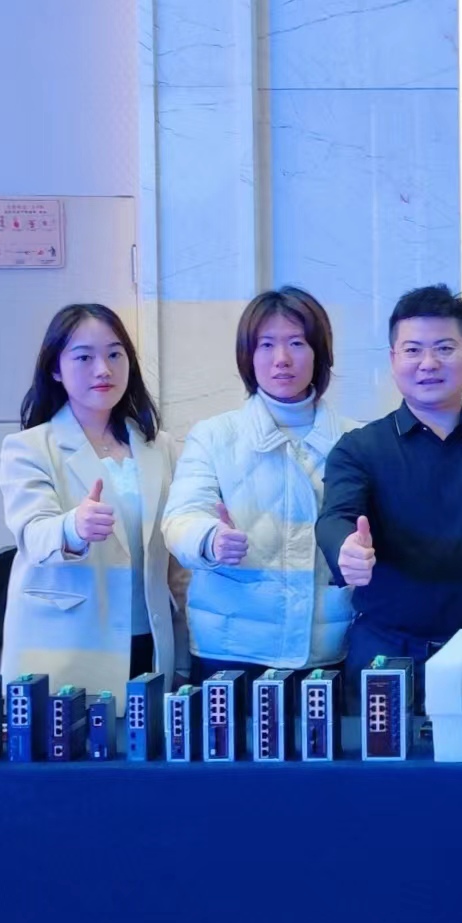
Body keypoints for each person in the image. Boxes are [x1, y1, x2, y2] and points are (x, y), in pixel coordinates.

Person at [315, 284, 462, 684]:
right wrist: (345, 549)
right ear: (393, 359)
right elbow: (336, 517)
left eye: (444, 348)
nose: (428, 363)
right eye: (413, 350)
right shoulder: (360, 448)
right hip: (385, 656)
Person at [163, 288, 357, 683]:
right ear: (248, 356)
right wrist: (210, 539)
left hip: (325, 645)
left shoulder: (354, 440)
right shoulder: (215, 436)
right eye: (266, 344)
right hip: (229, 647)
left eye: (297, 343)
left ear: (320, 353)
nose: (281, 358)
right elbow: (181, 518)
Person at [0, 303, 180, 703]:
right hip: (65, 645)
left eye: (115, 354)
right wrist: (73, 527)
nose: (103, 370)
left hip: (149, 639)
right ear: (55, 369)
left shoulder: (159, 447)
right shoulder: (30, 447)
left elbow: (173, 553)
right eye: (84, 357)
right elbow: (31, 533)